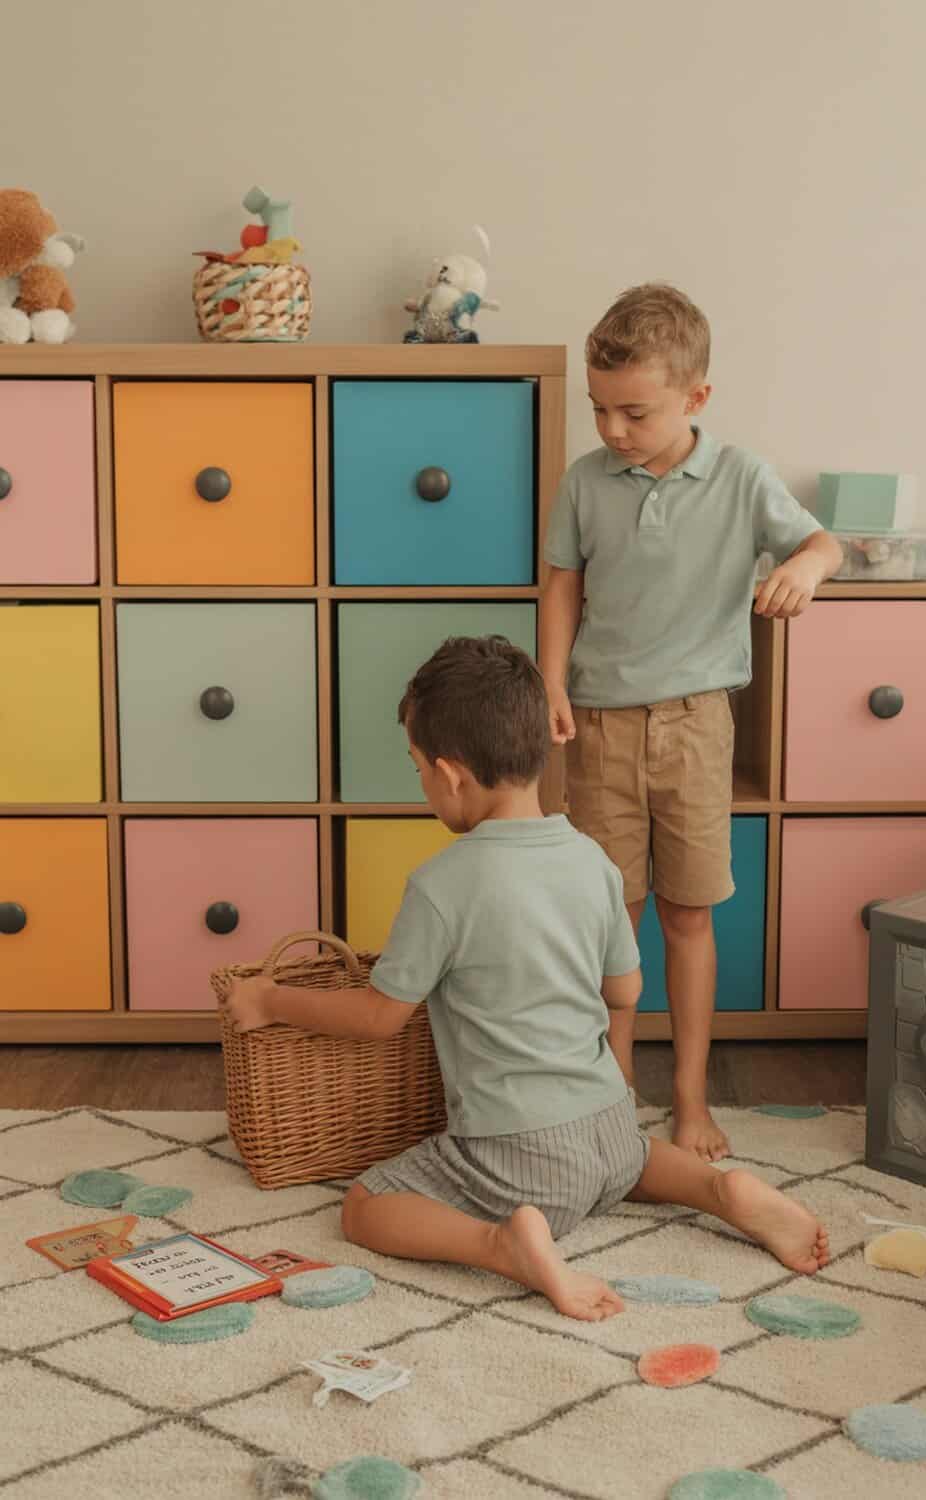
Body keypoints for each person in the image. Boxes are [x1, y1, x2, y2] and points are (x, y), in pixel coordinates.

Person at [227, 636, 829, 1323]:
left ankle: (500, 1242)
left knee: (365, 1208)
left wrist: (269, 999)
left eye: (420, 770)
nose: (424, 786)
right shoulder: (593, 861)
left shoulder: (442, 885)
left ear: (452, 775)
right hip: (608, 1123)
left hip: (520, 1157)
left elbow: (378, 1016)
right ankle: (723, 1193)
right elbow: (626, 994)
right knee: (627, 1160)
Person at [540, 284, 843, 1160]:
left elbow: (823, 544)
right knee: (610, 918)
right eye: (600, 409)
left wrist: (808, 574)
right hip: (597, 728)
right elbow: (562, 584)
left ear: (695, 398)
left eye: (633, 411)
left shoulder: (742, 476)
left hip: (698, 728)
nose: (612, 430)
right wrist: (553, 683)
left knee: (688, 917)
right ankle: (612, 1093)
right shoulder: (585, 483)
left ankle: (690, 1099)